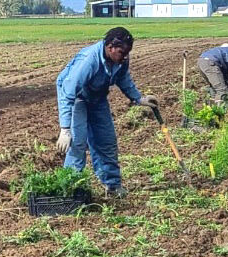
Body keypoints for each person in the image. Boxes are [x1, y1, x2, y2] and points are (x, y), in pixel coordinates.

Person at [54, 26, 159, 196]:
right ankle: (70, 188)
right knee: (77, 142)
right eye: (121, 52)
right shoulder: (89, 61)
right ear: (109, 47)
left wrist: (138, 98)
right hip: (77, 97)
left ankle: (112, 186)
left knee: (107, 141)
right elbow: (68, 93)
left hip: (98, 97)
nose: (125, 57)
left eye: (127, 53)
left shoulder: (121, 59)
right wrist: (65, 129)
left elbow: (123, 78)